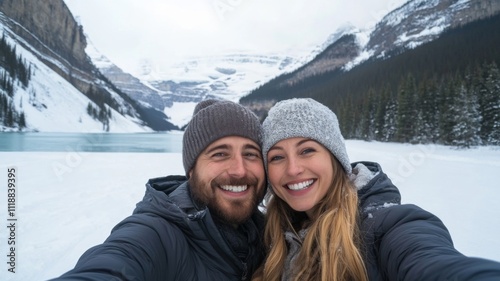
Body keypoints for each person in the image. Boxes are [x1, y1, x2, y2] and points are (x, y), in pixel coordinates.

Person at [252, 98, 500, 281]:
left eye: (307, 150)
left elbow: (430, 260)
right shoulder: (268, 233)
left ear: (335, 158)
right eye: (276, 157)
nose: (293, 169)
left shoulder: (383, 225)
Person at [51, 99, 267, 280]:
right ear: (191, 170)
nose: (239, 170)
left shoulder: (273, 233)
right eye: (220, 154)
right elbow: (115, 263)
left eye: (250, 154)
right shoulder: (157, 234)